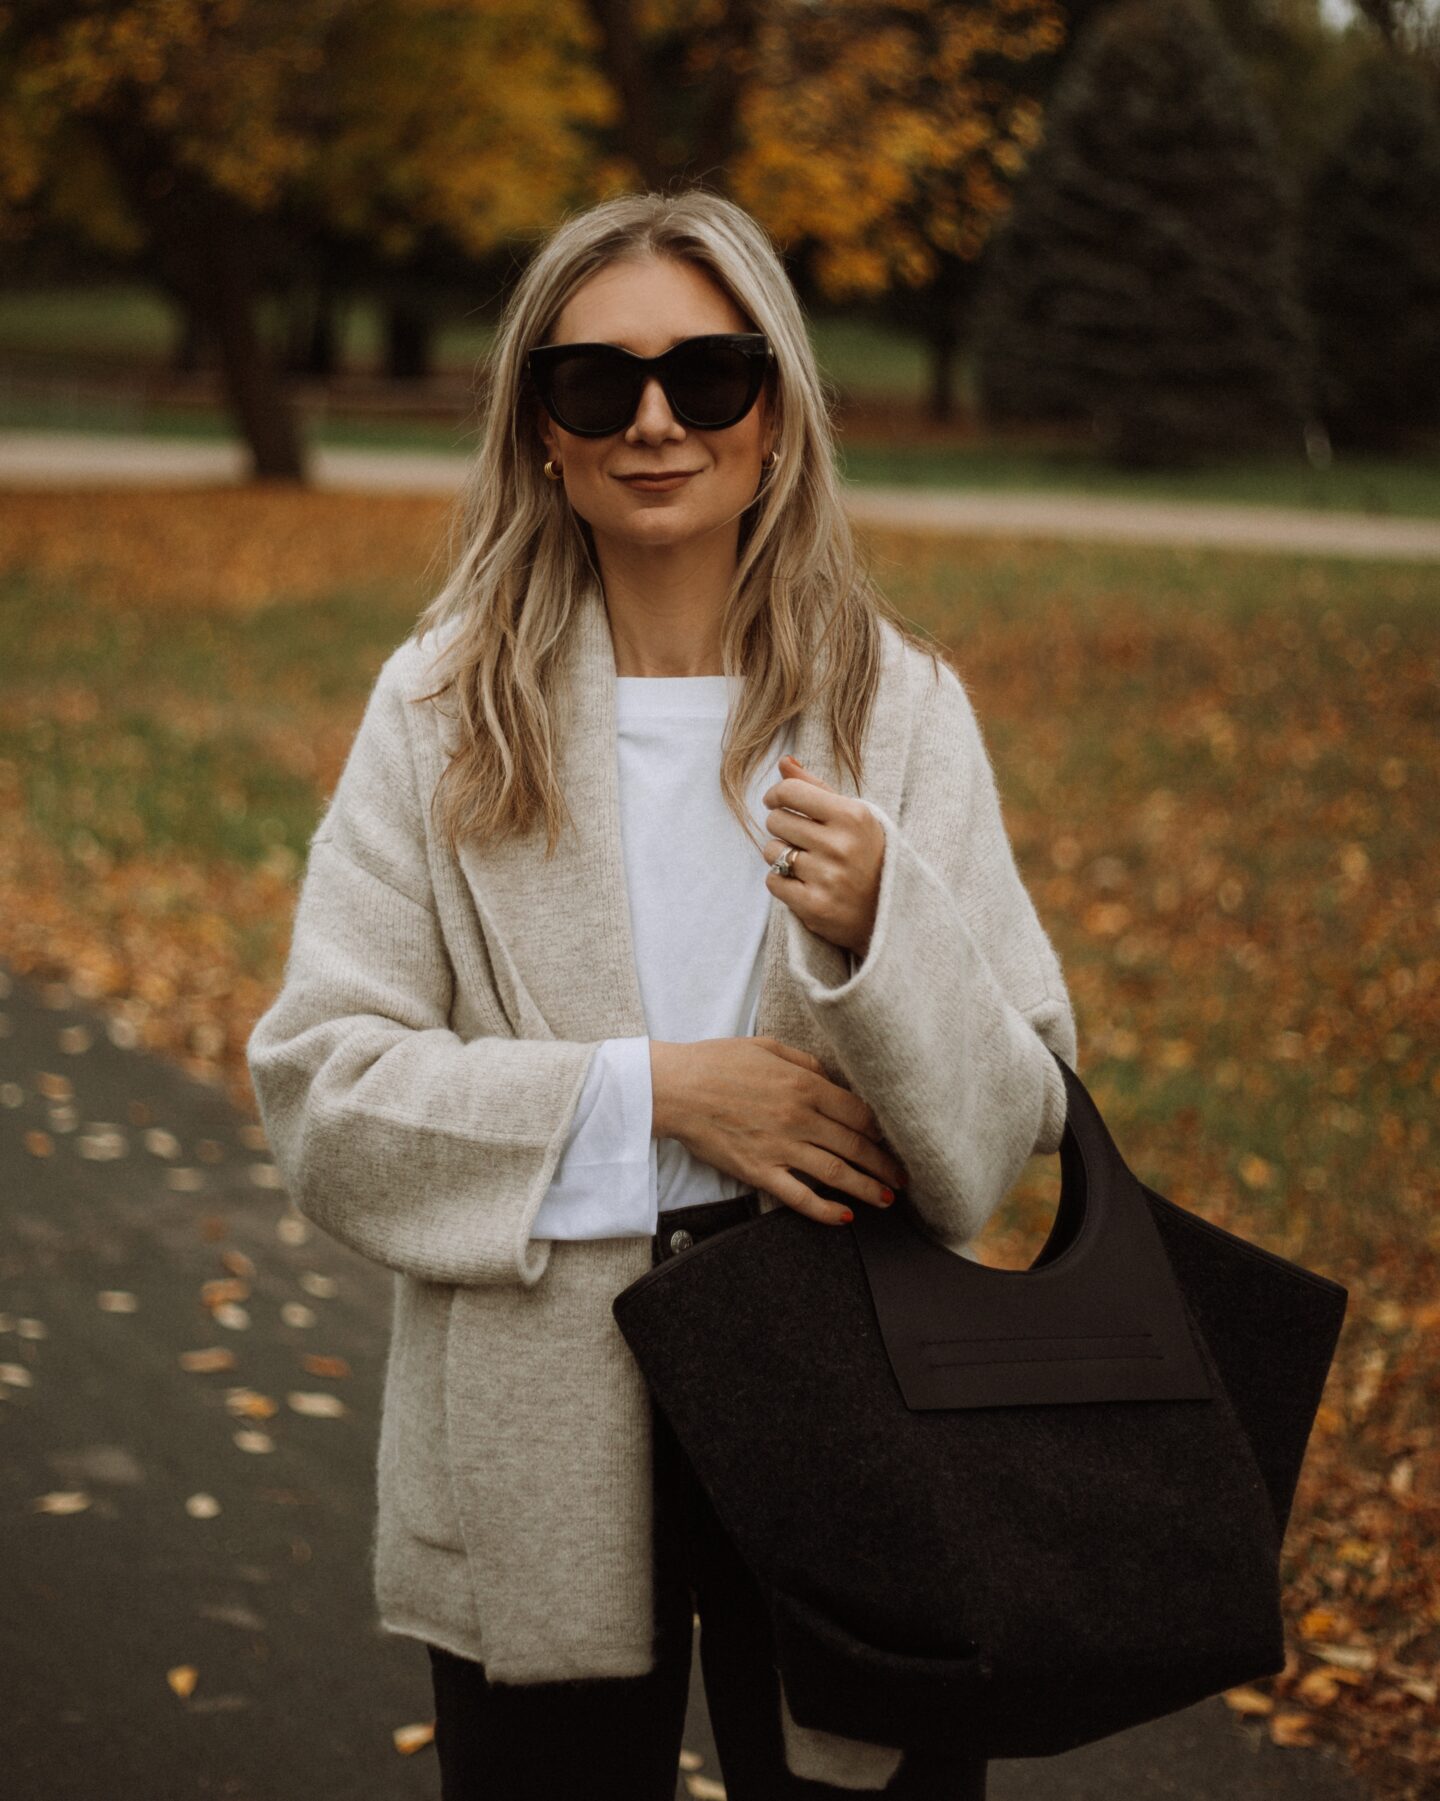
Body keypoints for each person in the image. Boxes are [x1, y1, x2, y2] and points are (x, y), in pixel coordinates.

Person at [246, 187, 1076, 1800]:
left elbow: (1013, 1119)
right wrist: (659, 1093)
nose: (653, 422)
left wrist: (882, 933)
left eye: (708, 377)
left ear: (776, 417)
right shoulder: (440, 711)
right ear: (539, 431)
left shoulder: (898, 712)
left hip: (855, 1408)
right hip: (533, 1422)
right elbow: (323, 1092)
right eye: (594, 383)